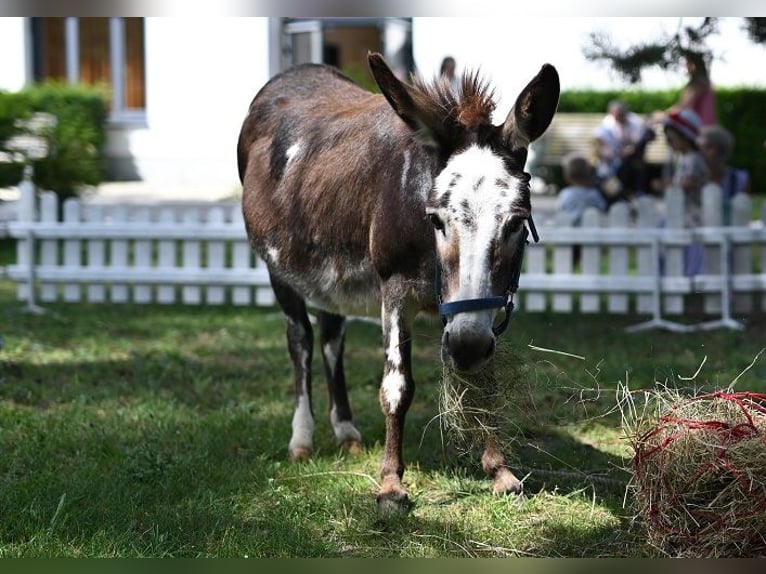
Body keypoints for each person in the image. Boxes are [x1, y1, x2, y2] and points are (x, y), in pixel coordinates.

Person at [652, 108, 709, 276]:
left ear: (686, 138)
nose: (669, 143)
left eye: (671, 139)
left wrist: (667, 186)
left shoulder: (692, 159)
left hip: (691, 213)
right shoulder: (684, 158)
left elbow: (689, 182)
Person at [593, 99, 655, 201]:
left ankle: (624, 193)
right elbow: (598, 142)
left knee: (633, 160)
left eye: (620, 115)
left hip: (631, 155)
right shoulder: (607, 123)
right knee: (608, 167)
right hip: (613, 157)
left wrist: (627, 150)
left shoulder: (635, 121)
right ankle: (615, 193)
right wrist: (610, 153)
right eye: (615, 115)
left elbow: (637, 143)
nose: (618, 118)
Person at [697, 124, 750, 225]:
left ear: (722, 150)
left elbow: (744, 212)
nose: (702, 153)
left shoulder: (739, 179)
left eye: (708, 147)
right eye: (701, 148)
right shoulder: (694, 179)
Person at [556, 152, 608, 226]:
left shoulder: (565, 194)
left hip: (568, 233)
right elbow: (602, 210)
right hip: (591, 234)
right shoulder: (593, 194)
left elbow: (560, 211)